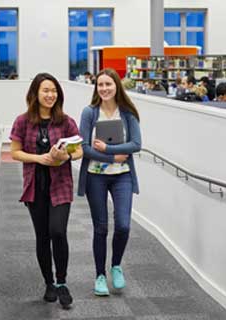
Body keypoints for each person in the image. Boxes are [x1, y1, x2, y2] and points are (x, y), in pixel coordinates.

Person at [9, 73, 82, 309]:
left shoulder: (66, 121)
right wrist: (39, 158)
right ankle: (48, 283)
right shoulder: (22, 121)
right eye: (46, 91)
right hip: (35, 186)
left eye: (54, 91)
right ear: (35, 94)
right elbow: (15, 152)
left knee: (58, 232)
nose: (50, 95)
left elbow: (79, 151)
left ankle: (62, 282)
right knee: (43, 236)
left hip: (60, 185)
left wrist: (65, 156)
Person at [77, 68, 141, 297]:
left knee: (123, 225)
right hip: (96, 176)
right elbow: (84, 147)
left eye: (108, 84)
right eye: (100, 85)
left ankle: (115, 265)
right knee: (101, 227)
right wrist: (111, 156)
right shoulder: (89, 113)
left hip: (122, 175)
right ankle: (99, 275)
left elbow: (136, 144)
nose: (104, 88)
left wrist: (109, 148)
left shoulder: (128, 113)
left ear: (117, 86)